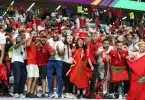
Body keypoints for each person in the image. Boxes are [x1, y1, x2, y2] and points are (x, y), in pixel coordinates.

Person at [46, 30, 65, 99]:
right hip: (50, 60)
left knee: (59, 77)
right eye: (54, 33)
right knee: (49, 77)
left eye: (57, 33)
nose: (55, 35)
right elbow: (45, 50)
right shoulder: (48, 41)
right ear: (52, 34)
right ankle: (51, 93)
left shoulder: (61, 43)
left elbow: (62, 54)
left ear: (59, 35)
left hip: (58, 60)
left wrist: (58, 50)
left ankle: (60, 93)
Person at [36, 31, 53, 98]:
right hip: (36, 64)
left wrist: (52, 53)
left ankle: (43, 93)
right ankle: (35, 92)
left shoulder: (48, 46)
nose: (43, 39)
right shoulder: (36, 45)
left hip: (44, 64)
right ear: (40, 38)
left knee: (43, 79)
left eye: (45, 37)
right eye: (42, 37)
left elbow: (52, 53)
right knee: (36, 79)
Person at [11, 30, 27, 98]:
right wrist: (21, 42)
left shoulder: (24, 44)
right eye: (22, 35)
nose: (23, 36)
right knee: (17, 78)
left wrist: (23, 43)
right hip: (16, 61)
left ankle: (20, 92)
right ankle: (15, 92)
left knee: (23, 78)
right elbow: (15, 46)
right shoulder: (17, 40)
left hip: (22, 62)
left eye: (24, 35)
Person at [25, 30, 39, 98]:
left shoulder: (35, 42)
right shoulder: (28, 40)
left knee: (36, 78)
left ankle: (32, 92)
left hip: (35, 62)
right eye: (33, 34)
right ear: (30, 34)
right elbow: (27, 45)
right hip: (30, 62)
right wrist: (31, 36)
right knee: (31, 77)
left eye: (35, 34)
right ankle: (28, 93)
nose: (34, 35)